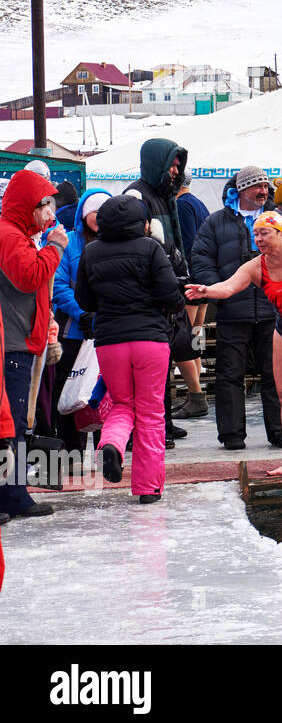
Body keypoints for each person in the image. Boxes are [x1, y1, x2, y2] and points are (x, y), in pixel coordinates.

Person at [187, 211, 282, 477]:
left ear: (280, 233)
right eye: (256, 234)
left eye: (264, 233)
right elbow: (228, 287)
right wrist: (206, 291)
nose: (258, 239)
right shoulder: (257, 265)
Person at [78, 195, 184, 503]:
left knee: (122, 403)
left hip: (110, 341)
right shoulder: (151, 248)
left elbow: (85, 301)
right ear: (142, 223)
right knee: (151, 413)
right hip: (150, 340)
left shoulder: (91, 251)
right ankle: (148, 488)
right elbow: (171, 297)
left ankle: (110, 444)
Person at [190, 166, 282, 450]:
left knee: (277, 374)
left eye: (265, 186)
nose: (262, 191)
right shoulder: (216, 222)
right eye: (256, 187)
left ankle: (280, 433)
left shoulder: (281, 221)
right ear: (241, 190)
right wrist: (222, 295)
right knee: (229, 376)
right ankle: (231, 435)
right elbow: (201, 260)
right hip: (232, 313)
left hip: (273, 313)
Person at [0, 169, 65, 521]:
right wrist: (55, 247)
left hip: (19, 341)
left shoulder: (17, 235)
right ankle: (12, 497)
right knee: (9, 427)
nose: (49, 213)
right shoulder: (9, 235)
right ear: (30, 206)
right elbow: (28, 277)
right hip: (10, 344)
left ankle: (14, 495)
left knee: (16, 425)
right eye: (44, 205)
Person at [124, 136, 191, 444]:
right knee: (152, 368)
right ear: (158, 164)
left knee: (164, 361)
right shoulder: (138, 195)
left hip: (165, 287)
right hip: (150, 293)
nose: (176, 172)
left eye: (178, 167)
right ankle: (155, 426)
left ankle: (164, 419)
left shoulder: (163, 196)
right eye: (172, 166)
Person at [49, 188, 111, 447]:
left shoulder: (116, 242)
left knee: (104, 393)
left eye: (105, 213)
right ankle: (71, 451)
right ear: (84, 214)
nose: (100, 218)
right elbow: (59, 285)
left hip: (109, 331)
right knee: (70, 390)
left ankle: (105, 450)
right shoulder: (71, 242)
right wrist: (82, 312)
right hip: (74, 331)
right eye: (95, 212)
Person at [174, 174, 211, 418]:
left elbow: (187, 241)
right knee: (197, 333)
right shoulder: (200, 203)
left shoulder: (182, 205)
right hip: (205, 278)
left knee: (184, 338)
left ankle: (195, 392)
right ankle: (198, 389)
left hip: (191, 279)